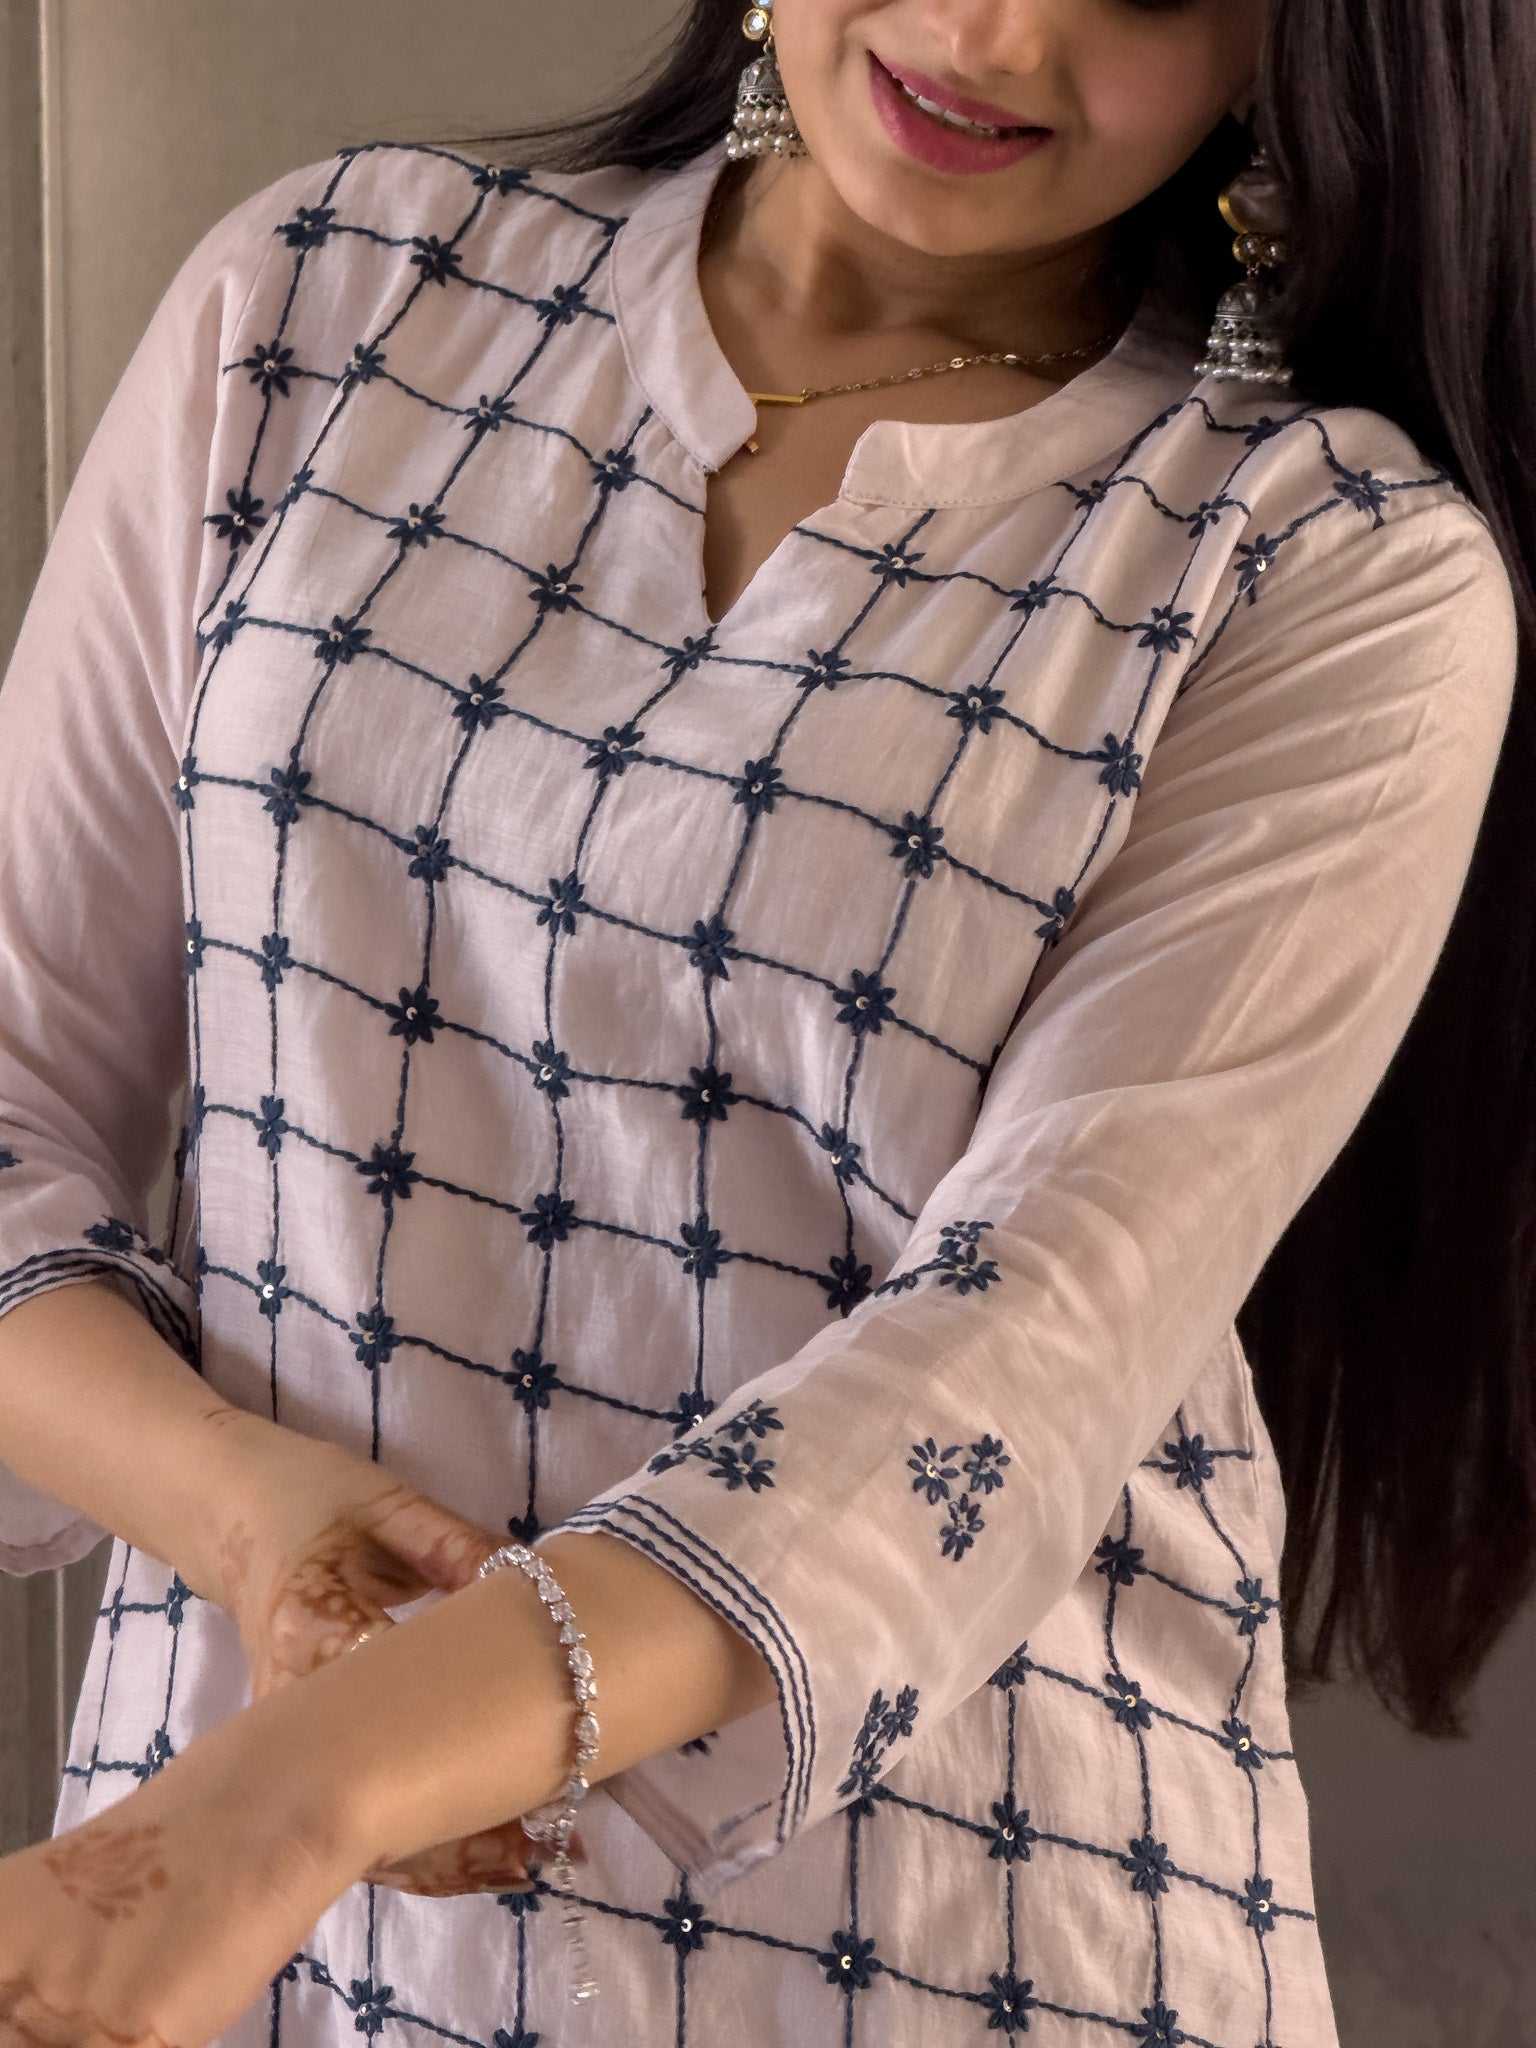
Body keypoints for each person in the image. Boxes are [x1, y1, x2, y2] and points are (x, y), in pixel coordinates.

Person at [0, 0, 1532, 2041]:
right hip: (234, 1907)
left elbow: (1021, 1356)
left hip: (943, 1936)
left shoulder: (1325, 566)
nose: (998, 30)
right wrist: (248, 1520)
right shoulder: (325, 302)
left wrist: (304, 1789)